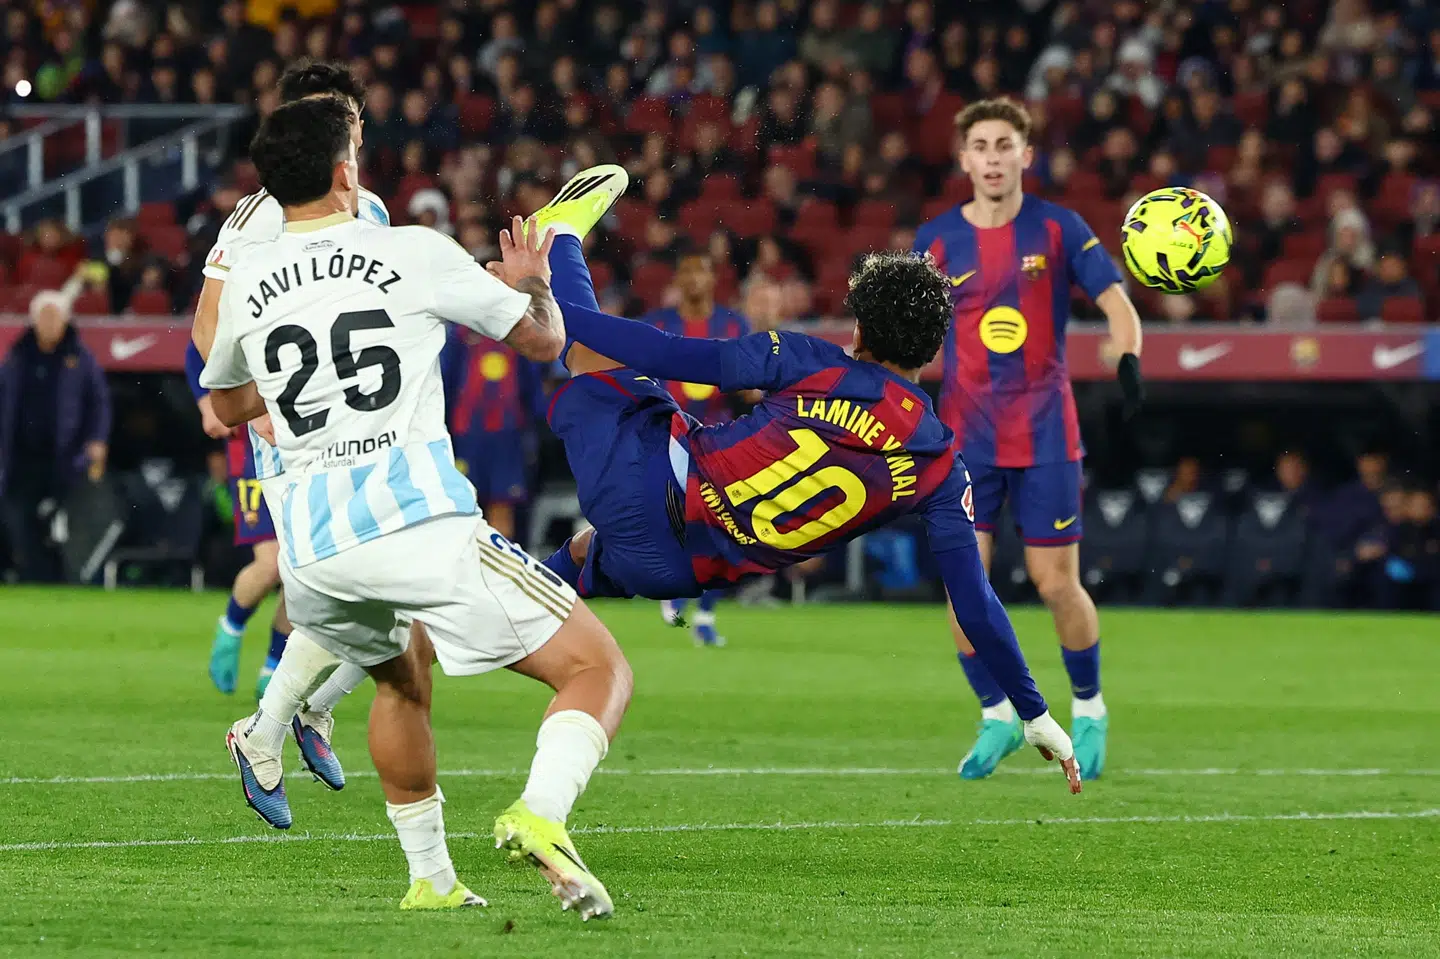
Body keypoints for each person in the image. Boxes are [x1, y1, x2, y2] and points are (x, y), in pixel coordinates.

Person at [202, 97, 632, 918]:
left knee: (400, 679)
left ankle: (430, 880)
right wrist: (533, 285)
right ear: (344, 173)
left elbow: (224, 405)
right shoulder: (409, 250)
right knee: (597, 667)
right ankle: (542, 812)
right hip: (419, 524)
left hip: (315, 556)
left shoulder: (252, 276)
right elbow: (544, 342)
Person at [527, 164, 1081, 794]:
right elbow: (975, 603)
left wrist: (543, 301)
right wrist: (1035, 713)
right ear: (934, 350)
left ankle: (559, 239)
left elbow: (664, 352)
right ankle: (486, 605)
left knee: (594, 358)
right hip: (680, 571)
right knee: (582, 555)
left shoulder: (809, 360)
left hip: (652, 487)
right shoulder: (941, 468)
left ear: (860, 329)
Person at [912, 98, 1144, 782]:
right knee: (964, 586)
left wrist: (1127, 358)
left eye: (1003, 144)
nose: (991, 156)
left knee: (1054, 583)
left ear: (1024, 155)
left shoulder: (1058, 228)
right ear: (964, 159)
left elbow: (1117, 304)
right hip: (965, 442)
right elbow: (903, 328)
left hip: (1045, 433)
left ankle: (1090, 707)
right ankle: (997, 715)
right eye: (979, 144)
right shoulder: (936, 242)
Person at [185, 60, 389, 791]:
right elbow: (209, 328)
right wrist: (261, 401)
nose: (344, 127)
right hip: (295, 440)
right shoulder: (261, 212)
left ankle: (296, 716)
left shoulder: (375, 213)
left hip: (364, 432)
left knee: (395, 591)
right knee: (337, 586)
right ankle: (274, 721)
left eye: (348, 113)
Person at [644, 250, 752, 646]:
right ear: (677, 278)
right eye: (686, 269)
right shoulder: (656, 324)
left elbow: (751, 378)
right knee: (683, 523)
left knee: (727, 524)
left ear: (712, 278)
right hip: (668, 437)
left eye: (701, 270)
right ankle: (678, 593)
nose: (694, 278)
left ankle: (705, 613)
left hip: (722, 439)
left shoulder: (733, 324)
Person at [0, 282, 110, 582]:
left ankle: (61, 575)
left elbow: (98, 402)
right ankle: (32, 574)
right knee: (18, 518)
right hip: (20, 455)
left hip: (65, 454)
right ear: (34, 320)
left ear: (65, 321)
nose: (49, 324)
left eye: (55, 317)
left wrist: (97, 440)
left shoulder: (80, 357)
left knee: (63, 522)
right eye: (44, 317)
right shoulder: (16, 356)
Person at [442, 329, 546, 542]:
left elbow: (532, 391)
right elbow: (444, 385)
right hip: (467, 437)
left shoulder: (518, 331)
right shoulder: (457, 335)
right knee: (465, 510)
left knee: (501, 512)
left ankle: (500, 571)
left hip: (505, 437)